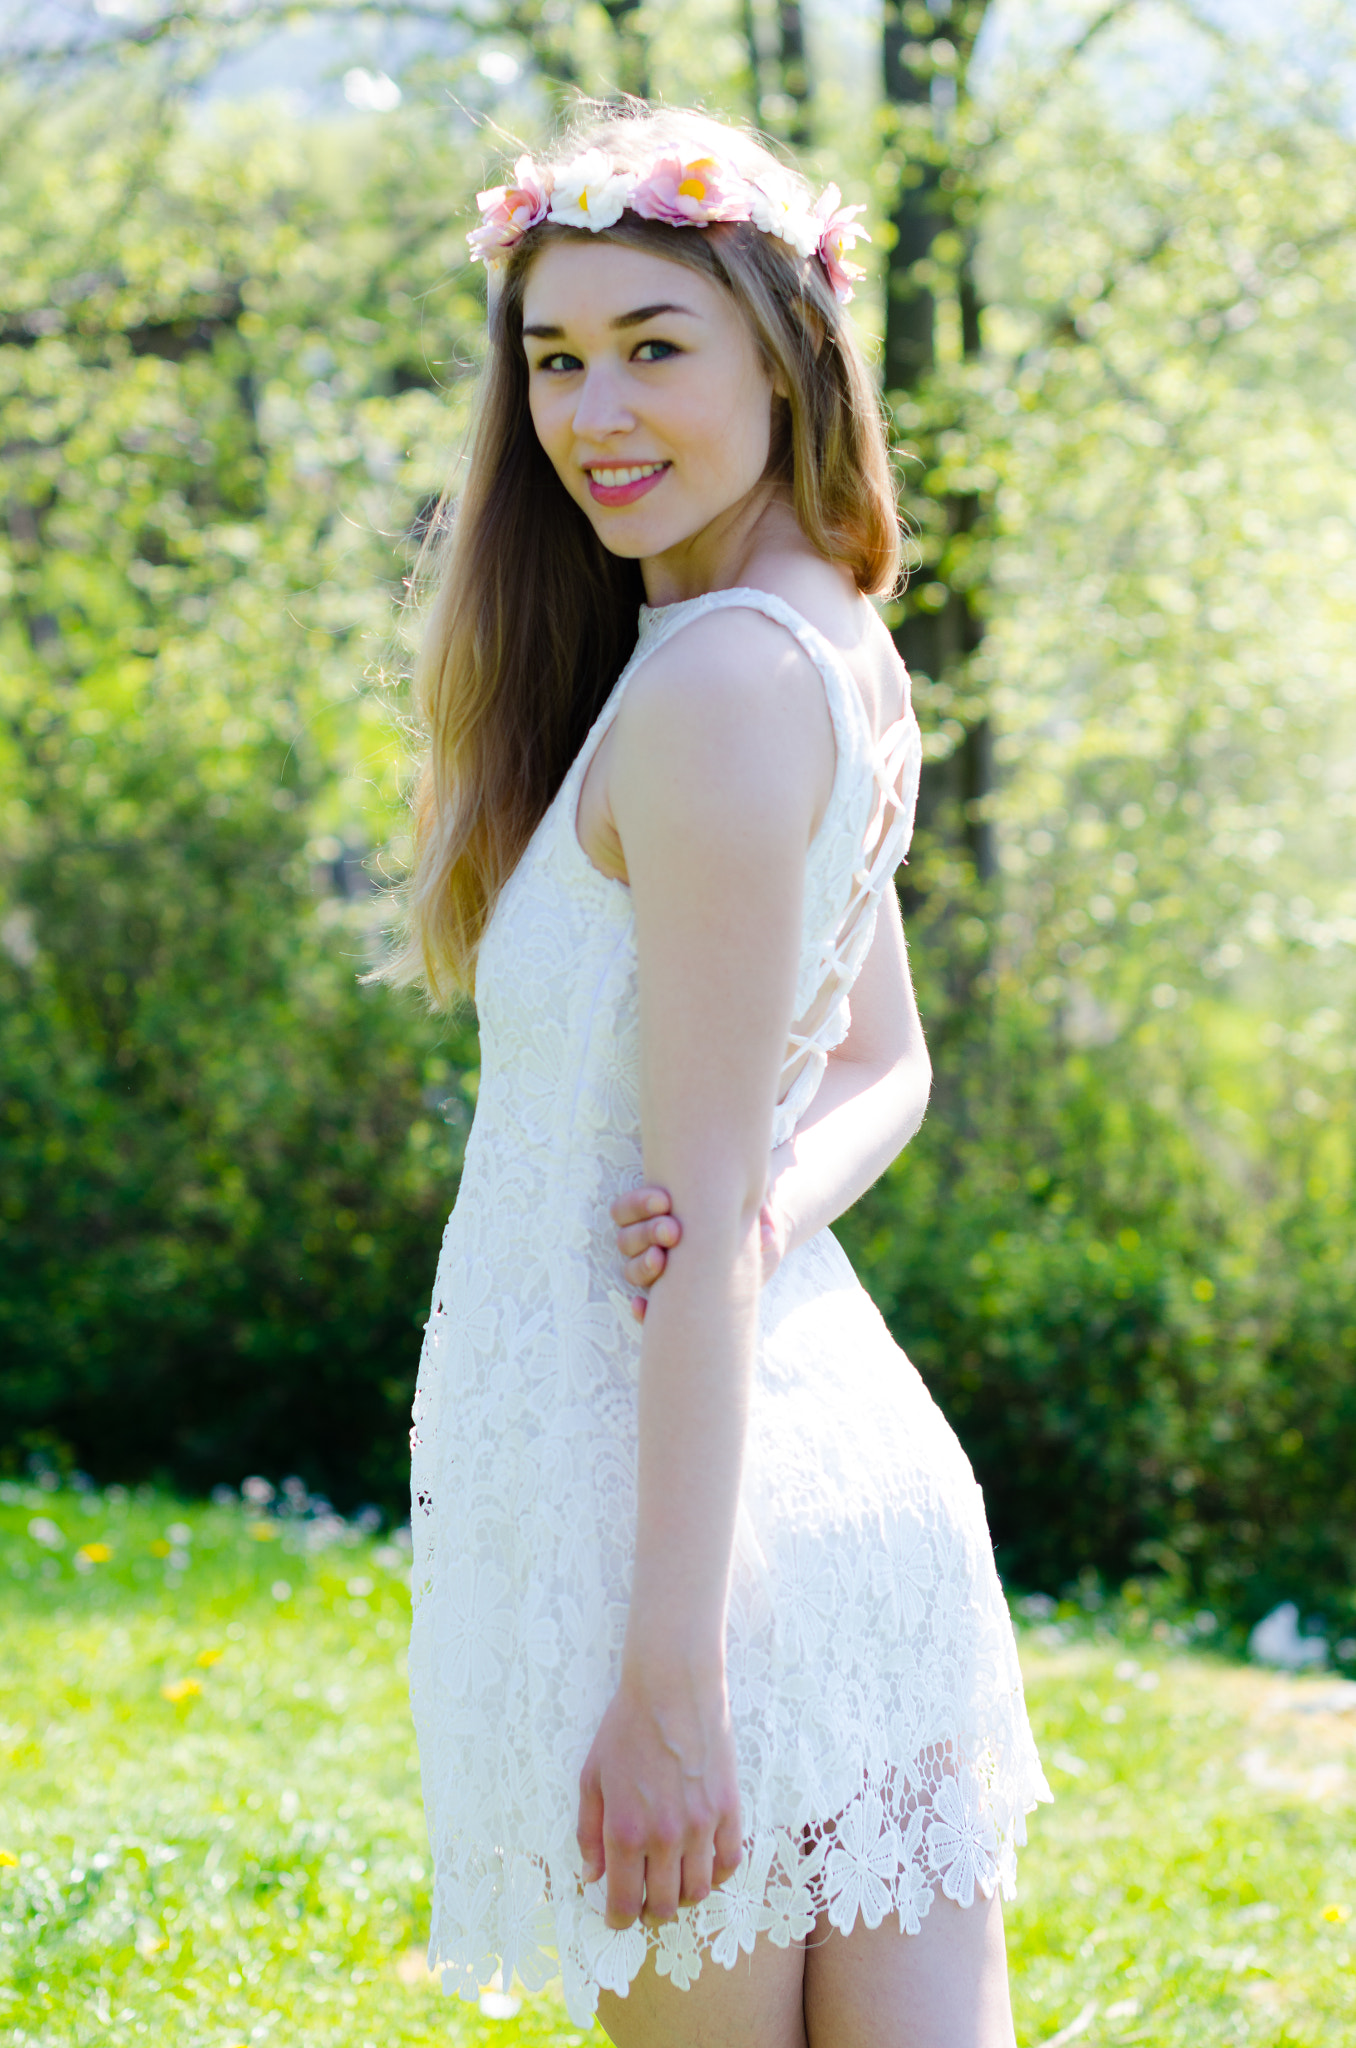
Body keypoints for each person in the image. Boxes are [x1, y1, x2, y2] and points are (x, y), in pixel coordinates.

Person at [386, 103, 1049, 2048]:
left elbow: (714, 1237)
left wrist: (668, 1672)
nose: (596, 409)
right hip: (837, 1481)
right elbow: (873, 1068)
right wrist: (763, 1195)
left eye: (654, 347)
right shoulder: (813, 647)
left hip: (691, 1532)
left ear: (784, 348)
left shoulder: (716, 691)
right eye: (556, 357)